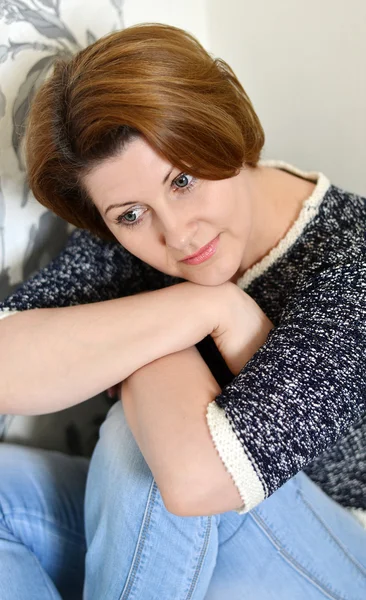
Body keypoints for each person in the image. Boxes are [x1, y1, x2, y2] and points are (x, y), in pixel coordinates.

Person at [0, 22, 365, 600]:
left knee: (144, 437)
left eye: (184, 180)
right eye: (129, 215)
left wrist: (142, 356)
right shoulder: (130, 225)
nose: (176, 232)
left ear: (224, 131)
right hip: (181, 529)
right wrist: (205, 305)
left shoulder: (352, 261)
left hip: (337, 549)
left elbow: (198, 481)